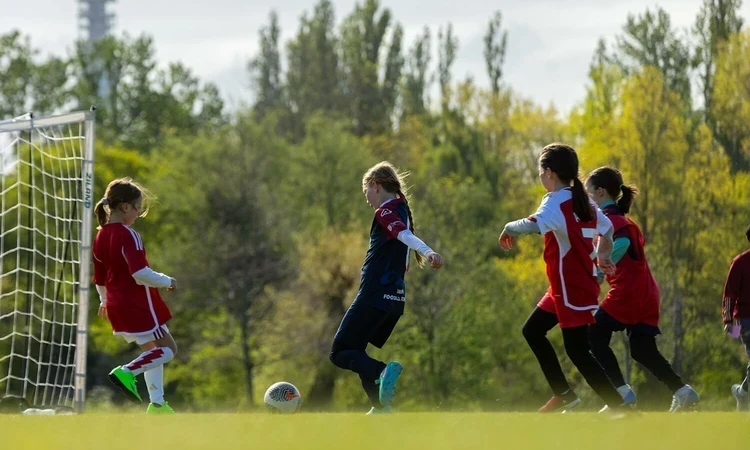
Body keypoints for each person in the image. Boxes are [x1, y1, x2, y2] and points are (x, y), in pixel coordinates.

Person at [498, 143, 623, 413]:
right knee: (532, 331)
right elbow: (608, 228)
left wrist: (508, 227)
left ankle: (617, 406)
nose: (540, 177)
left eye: (540, 172)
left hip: (570, 287)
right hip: (570, 285)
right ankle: (565, 394)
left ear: (549, 172)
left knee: (578, 351)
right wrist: (603, 256)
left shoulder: (555, 200)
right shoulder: (584, 200)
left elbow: (532, 224)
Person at [329, 162, 443, 415]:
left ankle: (382, 371)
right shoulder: (401, 210)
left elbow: (404, 237)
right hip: (394, 301)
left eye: (366, 193)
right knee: (357, 352)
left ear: (375, 186)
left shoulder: (386, 212)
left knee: (339, 352)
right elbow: (403, 262)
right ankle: (380, 408)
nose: (367, 200)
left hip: (374, 295)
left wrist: (428, 251)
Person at [585, 166, 699, 413]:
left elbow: (622, 244)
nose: (587, 201)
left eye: (589, 194)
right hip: (646, 293)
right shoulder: (623, 221)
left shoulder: (612, 221)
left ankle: (621, 394)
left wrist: (600, 269)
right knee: (642, 350)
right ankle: (683, 392)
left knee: (592, 333)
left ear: (600, 192)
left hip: (629, 293)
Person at [93, 177, 177, 414]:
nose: (139, 213)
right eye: (138, 208)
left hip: (116, 305)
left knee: (152, 351)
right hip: (139, 304)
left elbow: (99, 277)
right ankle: (127, 371)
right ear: (125, 207)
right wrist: (167, 281)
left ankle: (158, 404)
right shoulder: (129, 235)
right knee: (169, 349)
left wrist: (103, 301)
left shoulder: (100, 236)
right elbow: (139, 273)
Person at [723, 224, 750, 411]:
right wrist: (728, 320)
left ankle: (742, 392)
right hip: (746, 319)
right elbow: (729, 294)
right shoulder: (740, 263)